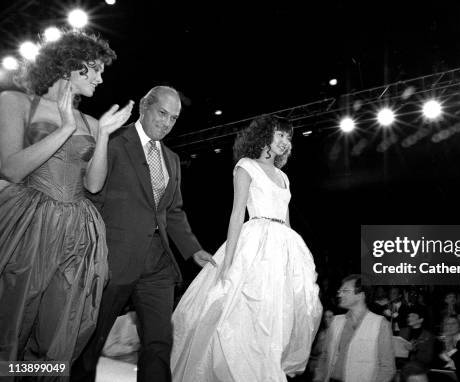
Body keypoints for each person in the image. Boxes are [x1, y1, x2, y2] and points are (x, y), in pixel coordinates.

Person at [0, 30, 133, 365]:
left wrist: (102, 135)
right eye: (96, 68)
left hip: (78, 234)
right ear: (70, 66)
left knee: (58, 333)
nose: (101, 79)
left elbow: (94, 185)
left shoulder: (90, 120)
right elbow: (11, 170)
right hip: (29, 228)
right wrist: (63, 128)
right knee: (11, 324)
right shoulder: (15, 102)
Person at [71, 86, 214, 382]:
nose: (167, 122)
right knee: (89, 343)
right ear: (145, 107)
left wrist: (193, 249)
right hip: (113, 260)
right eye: (162, 113)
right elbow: (89, 192)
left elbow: (172, 210)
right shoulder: (112, 141)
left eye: (173, 118)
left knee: (159, 342)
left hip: (158, 265)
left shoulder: (172, 159)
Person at [171, 115, 322, 382]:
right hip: (254, 243)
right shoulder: (246, 166)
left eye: (288, 137)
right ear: (263, 136)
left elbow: (286, 219)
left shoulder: (284, 177)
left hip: (282, 246)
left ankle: (267, 370)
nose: (285, 142)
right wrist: (228, 264)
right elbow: (236, 214)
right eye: (280, 135)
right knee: (243, 313)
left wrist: (293, 260)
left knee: (277, 314)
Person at [314, 274, 396, 382]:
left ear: (361, 295)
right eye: (340, 291)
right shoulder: (336, 321)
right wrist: (318, 378)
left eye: (345, 291)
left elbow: (387, 368)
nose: (340, 294)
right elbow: (325, 356)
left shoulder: (380, 324)